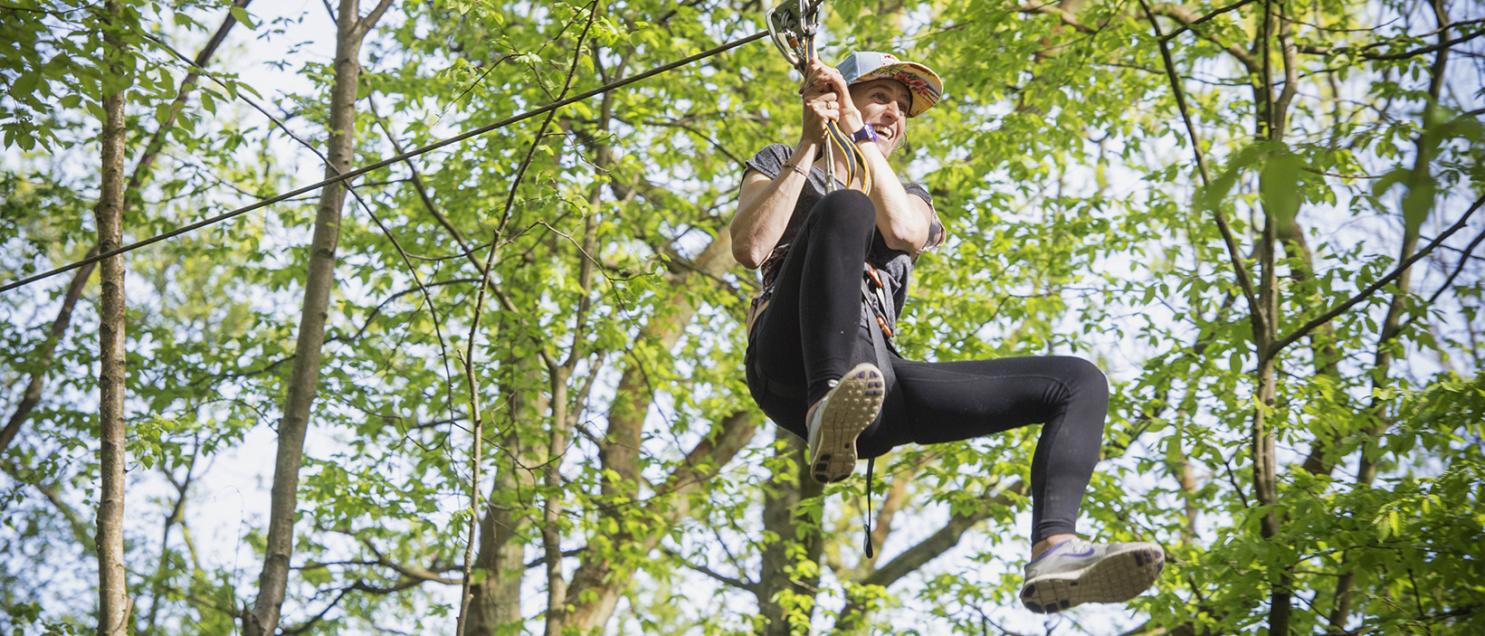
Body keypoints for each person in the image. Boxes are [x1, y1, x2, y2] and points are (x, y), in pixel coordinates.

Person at [731, 51, 1163, 613]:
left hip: (874, 386)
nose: (893, 114)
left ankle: (1054, 549)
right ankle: (824, 408)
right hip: (790, 362)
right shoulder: (782, 160)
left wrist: (857, 135)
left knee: (1077, 382)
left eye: (902, 107)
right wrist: (812, 142)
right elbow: (750, 248)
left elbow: (907, 231)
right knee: (843, 208)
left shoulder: (913, 195)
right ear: (842, 101)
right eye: (880, 97)